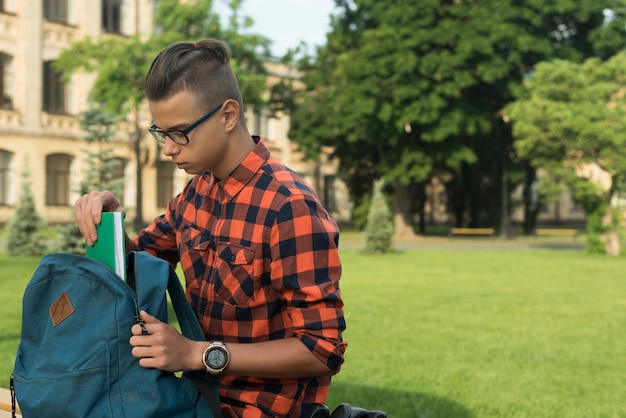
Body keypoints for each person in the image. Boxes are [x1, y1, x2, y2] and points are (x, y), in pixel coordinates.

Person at [74, 39, 346, 418]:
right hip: (194, 401)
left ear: (228, 115)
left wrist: (196, 354)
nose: (168, 148)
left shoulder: (290, 206)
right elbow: (138, 263)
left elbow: (322, 350)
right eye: (161, 132)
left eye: (179, 133)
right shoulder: (196, 193)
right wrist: (110, 221)